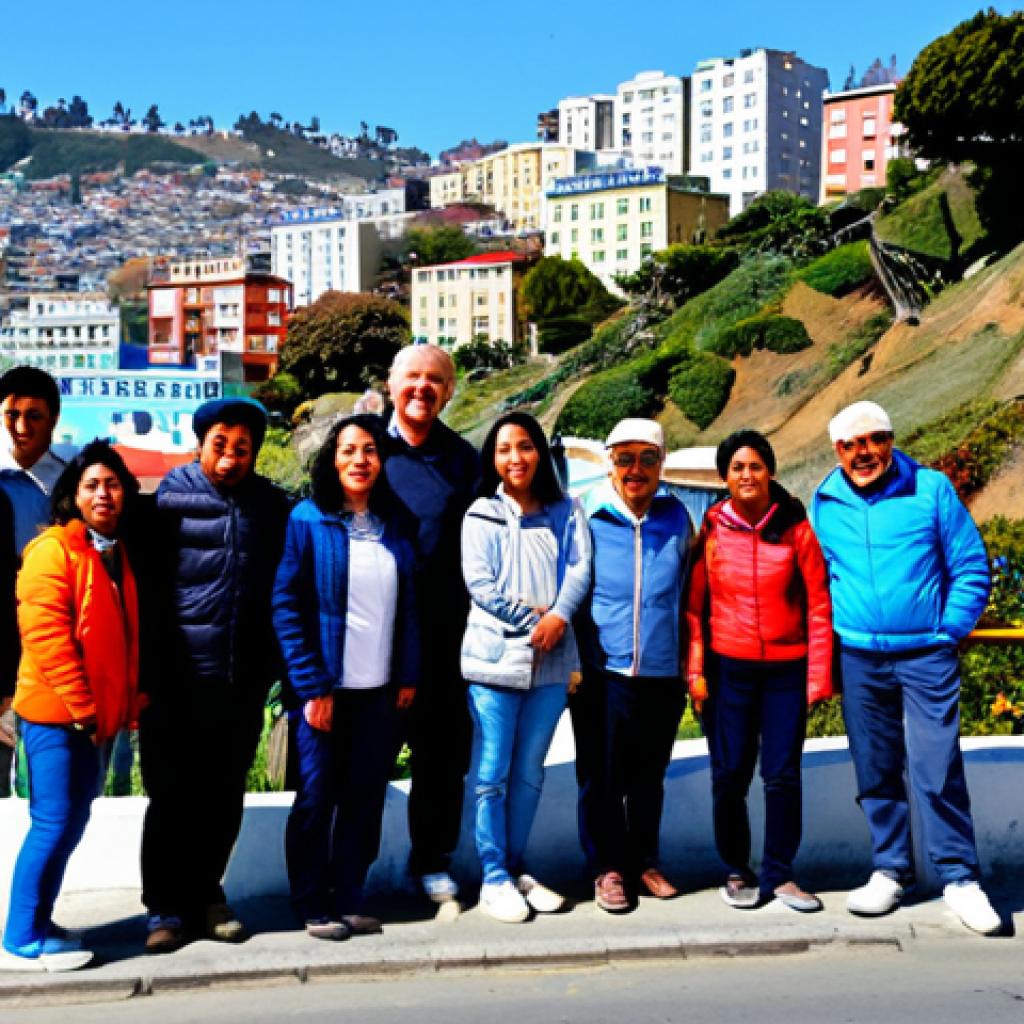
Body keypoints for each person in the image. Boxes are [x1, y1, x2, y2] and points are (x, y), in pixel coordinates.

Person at [812, 401, 1000, 934]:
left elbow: (969, 563)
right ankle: (890, 869)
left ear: (891, 440)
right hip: (858, 656)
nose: (863, 452)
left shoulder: (931, 489)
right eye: (850, 445)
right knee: (875, 766)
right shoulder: (825, 499)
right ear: (837, 451)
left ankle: (960, 878)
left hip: (925, 654)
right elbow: (822, 576)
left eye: (873, 440)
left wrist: (949, 630)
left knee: (936, 766)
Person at [139, 398, 292, 954]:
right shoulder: (164, 504)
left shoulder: (269, 506)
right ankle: (163, 907)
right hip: (174, 682)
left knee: (224, 796)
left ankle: (207, 897)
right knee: (170, 798)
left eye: (242, 449)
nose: (230, 458)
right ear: (199, 445)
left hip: (239, 681)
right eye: (219, 446)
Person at [273, 415, 419, 940]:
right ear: (331, 460)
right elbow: (286, 605)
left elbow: (410, 608)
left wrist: (407, 673)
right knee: (316, 798)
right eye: (349, 450)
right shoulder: (308, 519)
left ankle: (350, 895)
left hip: (379, 692)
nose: (360, 460)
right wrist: (312, 686)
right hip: (326, 691)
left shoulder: (396, 525)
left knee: (364, 795)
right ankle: (311, 901)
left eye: (371, 451)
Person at [0, 441, 143, 973]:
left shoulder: (112, 552)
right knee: (53, 823)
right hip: (59, 717)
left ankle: (40, 921)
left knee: (73, 820)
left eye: (112, 484)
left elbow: (121, 639)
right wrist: (83, 707)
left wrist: (126, 702)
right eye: (92, 485)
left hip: (93, 718)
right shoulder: (52, 550)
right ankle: (19, 938)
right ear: (72, 495)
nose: (104, 493)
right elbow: (46, 639)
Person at [686, 430, 832, 912]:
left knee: (782, 775)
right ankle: (737, 869)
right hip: (728, 670)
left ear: (769, 470)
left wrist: (818, 676)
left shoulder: (794, 525)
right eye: (736, 468)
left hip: (786, 671)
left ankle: (781, 874)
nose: (746, 475)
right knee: (729, 775)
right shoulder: (711, 528)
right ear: (723, 477)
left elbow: (817, 603)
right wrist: (695, 672)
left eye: (755, 466)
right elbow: (694, 608)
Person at [461, 412, 592, 923]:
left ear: (540, 452)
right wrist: (532, 619)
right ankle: (492, 875)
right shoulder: (480, 514)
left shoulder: (567, 510)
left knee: (529, 773)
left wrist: (559, 617)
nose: (515, 457)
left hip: (552, 663)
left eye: (525, 446)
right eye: (503, 449)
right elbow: (480, 584)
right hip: (495, 661)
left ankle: (517, 869)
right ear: (492, 458)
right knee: (491, 772)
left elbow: (580, 568)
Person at [570, 419, 694, 914]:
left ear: (662, 463)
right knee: (601, 777)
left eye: (647, 457)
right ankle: (607, 869)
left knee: (648, 776)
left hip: (663, 672)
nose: (635, 469)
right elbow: (570, 593)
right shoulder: (586, 515)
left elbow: (690, 589)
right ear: (609, 464)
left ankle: (643, 860)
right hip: (604, 671)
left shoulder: (678, 517)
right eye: (624, 458)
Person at [384, 344, 480, 904]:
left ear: (448, 390)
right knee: (362, 758)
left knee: (442, 759)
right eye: (413, 377)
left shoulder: (463, 460)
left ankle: (430, 860)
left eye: (435, 380)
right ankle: (346, 869)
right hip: (374, 633)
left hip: (445, 634)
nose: (423, 388)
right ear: (392, 383)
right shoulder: (365, 446)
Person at [0, 368, 68, 796]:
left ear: (55, 419)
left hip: (57, 643)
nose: (21, 427)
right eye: (11, 415)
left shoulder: (73, 480)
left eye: (34, 416)